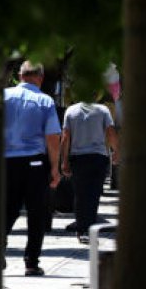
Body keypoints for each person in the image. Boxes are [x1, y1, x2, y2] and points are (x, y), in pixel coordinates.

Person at [4, 61, 62, 276]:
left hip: (5, 162)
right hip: (34, 163)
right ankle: (31, 262)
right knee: (36, 213)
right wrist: (55, 168)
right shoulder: (44, 100)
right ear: (41, 77)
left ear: (20, 76)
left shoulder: (2, 97)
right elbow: (52, 137)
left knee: (6, 210)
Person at [60, 98, 119, 244]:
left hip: (78, 158)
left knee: (80, 194)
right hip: (98, 157)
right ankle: (90, 228)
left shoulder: (71, 110)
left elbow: (66, 137)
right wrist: (117, 151)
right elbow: (110, 132)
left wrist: (64, 161)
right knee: (94, 193)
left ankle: (82, 230)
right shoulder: (103, 110)